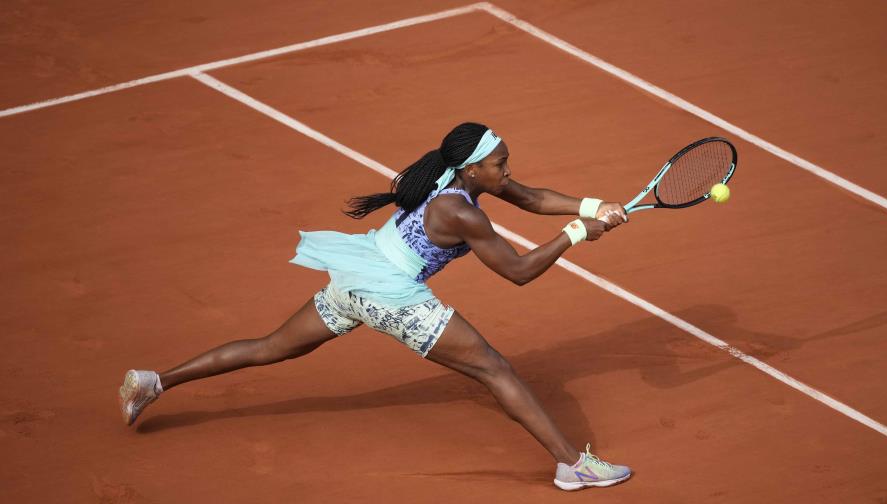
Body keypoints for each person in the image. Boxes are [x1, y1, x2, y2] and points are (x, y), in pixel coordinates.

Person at [118, 122, 631, 491]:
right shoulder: (460, 212)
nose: (508, 170)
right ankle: (571, 465)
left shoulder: (451, 182)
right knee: (494, 368)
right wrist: (574, 234)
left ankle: (154, 381)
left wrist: (593, 206)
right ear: (472, 169)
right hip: (389, 293)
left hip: (356, 275)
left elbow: (532, 198)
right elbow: (518, 272)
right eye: (500, 164)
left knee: (271, 346)